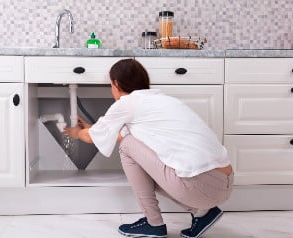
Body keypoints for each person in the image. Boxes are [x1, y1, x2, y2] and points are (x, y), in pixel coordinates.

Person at [63, 59, 234, 238]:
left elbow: (94, 137)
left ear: (116, 83)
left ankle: (153, 223)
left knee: (127, 145)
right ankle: (203, 214)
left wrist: (76, 133)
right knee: (140, 151)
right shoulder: (163, 100)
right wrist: (93, 128)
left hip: (199, 186)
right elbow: (116, 134)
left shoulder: (127, 103)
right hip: (225, 183)